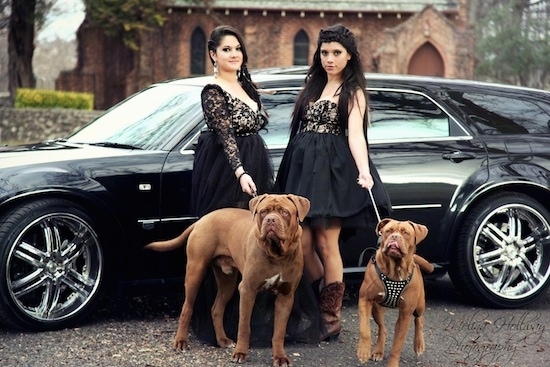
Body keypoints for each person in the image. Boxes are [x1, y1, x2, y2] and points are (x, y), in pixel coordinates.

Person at [189, 25, 320, 347]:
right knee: (233, 245)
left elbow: (257, 124)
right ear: (212, 55)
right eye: (226, 49)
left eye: (237, 48)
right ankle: (223, 327)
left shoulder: (247, 85)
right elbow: (225, 137)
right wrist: (240, 172)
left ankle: (262, 327)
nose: (233, 54)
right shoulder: (213, 89)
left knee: (265, 245)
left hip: (256, 162)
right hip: (225, 169)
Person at [275, 24, 392, 341]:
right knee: (302, 243)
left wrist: (364, 170)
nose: (329, 58)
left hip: (332, 171)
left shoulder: (353, 92)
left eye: (336, 53)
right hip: (302, 168)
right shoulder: (312, 86)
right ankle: (315, 305)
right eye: (324, 52)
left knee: (327, 243)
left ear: (349, 55)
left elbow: (355, 135)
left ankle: (330, 316)